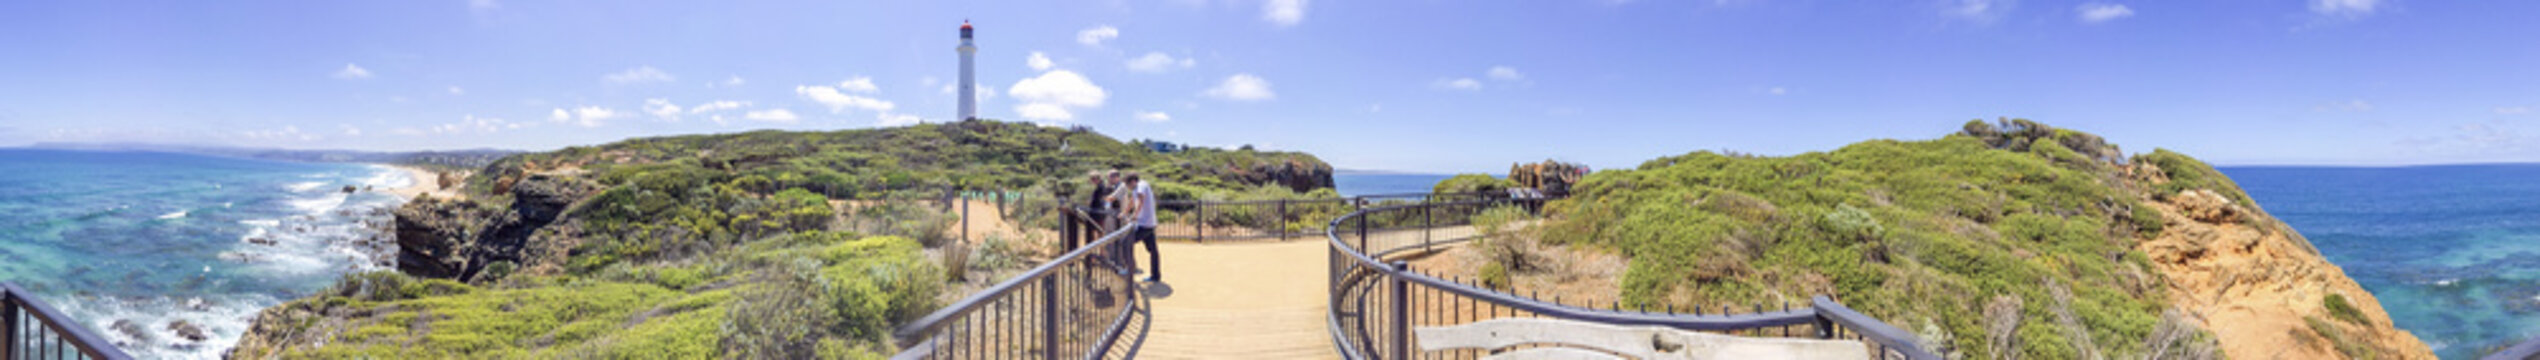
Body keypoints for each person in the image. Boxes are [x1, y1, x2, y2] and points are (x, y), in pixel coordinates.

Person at [1120, 172, 1161, 283]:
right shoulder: (1136, 189)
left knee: (1125, 243)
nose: (1128, 187)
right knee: (1153, 251)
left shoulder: (1141, 185)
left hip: (1145, 224)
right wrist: (1124, 212)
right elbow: (1132, 201)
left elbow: (1140, 199)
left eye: (1127, 185)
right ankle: (1155, 276)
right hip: (1148, 224)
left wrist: (1134, 215)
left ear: (1133, 181)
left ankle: (1130, 269)